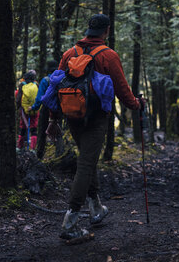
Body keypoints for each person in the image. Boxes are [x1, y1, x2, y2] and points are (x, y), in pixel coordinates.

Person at [58, 13, 140, 240]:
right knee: (86, 163)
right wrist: (135, 105)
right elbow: (123, 90)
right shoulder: (108, 55)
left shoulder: (69, 54)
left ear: (88, 30)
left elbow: (56, 84)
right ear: (107, 31)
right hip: (96, 118)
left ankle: (95, 208)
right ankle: (70, 222)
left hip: (72, 115)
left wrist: (54, 120)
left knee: (87, 159)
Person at [28, 61, 58, 159]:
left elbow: (40, 98)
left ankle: (39, 157)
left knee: (42, 133)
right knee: (58, 132)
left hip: (46, 110)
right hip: (58, 109)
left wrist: (33, 108)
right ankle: (59, 154)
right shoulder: (62, 79)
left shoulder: (45, 80)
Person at [16, 70, 39, 153]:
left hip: (24, 109)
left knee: (22, 127)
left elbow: (18, 98)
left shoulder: (22, 84)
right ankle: (33, 149)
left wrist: (18, 108)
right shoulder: (36, 84)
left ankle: (19, 147)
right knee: (34, 129)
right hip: (34, 109)